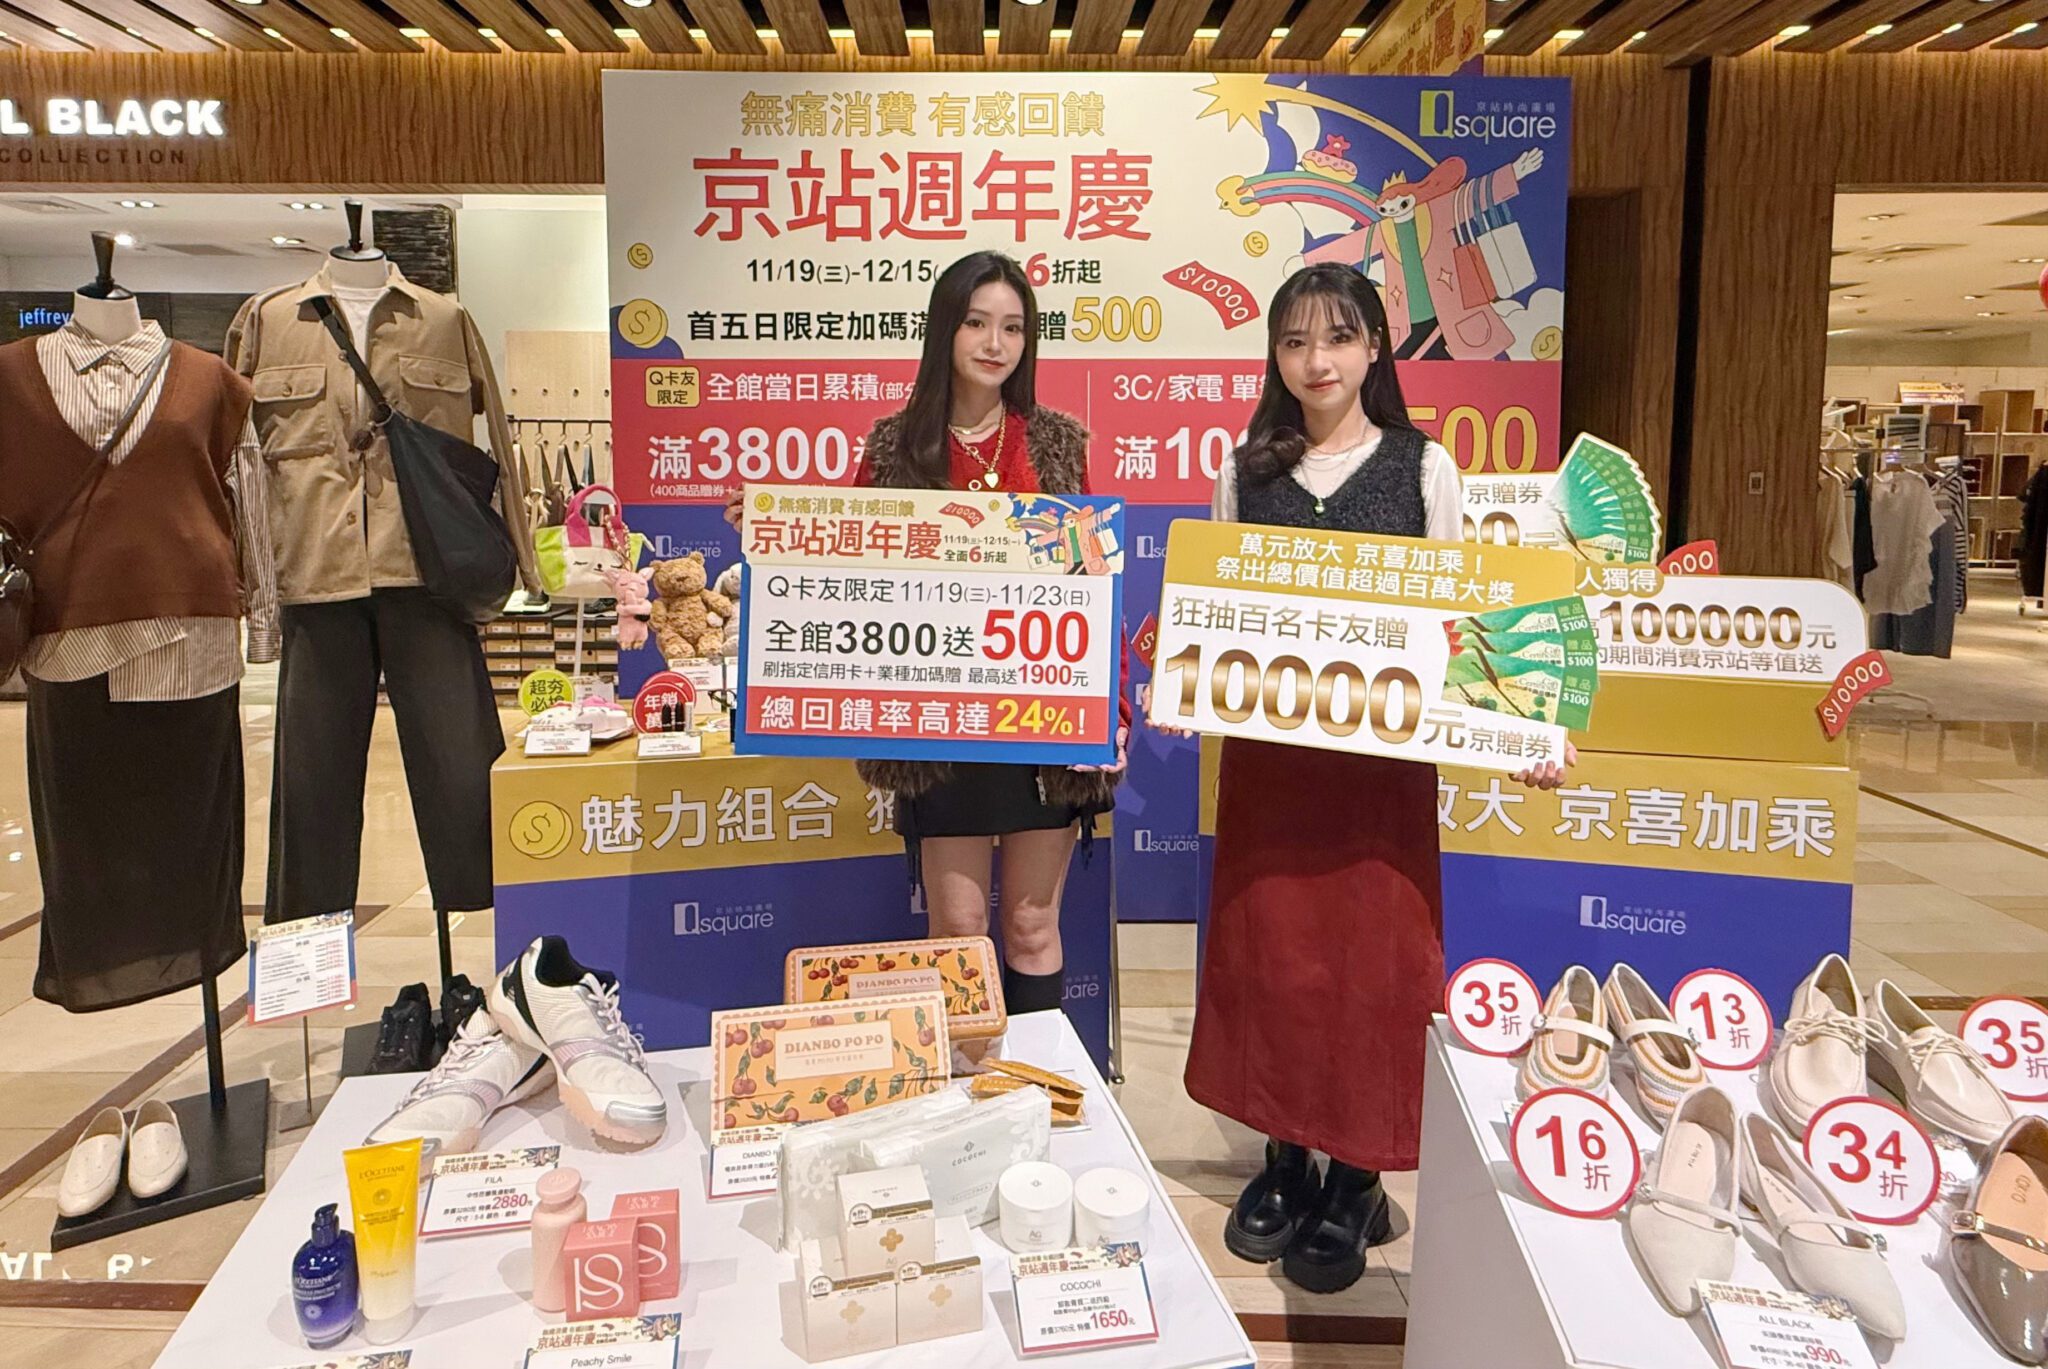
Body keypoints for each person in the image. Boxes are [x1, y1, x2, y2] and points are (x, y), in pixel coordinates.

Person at [1150, 262, 1569, 1295]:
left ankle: (1357, 1174)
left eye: (1337, 337)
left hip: (1381, 775)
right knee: (1271, 957)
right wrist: (1182, 676)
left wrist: (1527, 724)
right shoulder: (1243, 470)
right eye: (1294, 341)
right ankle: (1285, 1156)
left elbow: (1468, 624)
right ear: (1274, 356)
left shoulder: (1424, 468)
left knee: (1373, 964)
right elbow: (1213, 613)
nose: (1316, 361)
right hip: (1271, 771)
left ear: (1375, 347)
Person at [726, 250, 1127, 1019]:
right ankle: (967, 1082)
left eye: (1013, 327)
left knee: (1032, 926)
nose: (995, 343)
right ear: (945, 328)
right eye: (976, 322)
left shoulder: (1057, 444)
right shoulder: (894, 447)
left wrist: (1111, 710)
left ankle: (1034, 1082)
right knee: (958, 929)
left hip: (1043, 721)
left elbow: (1096, 589)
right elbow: (847, 574)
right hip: (939, 726)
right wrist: (775, 535)